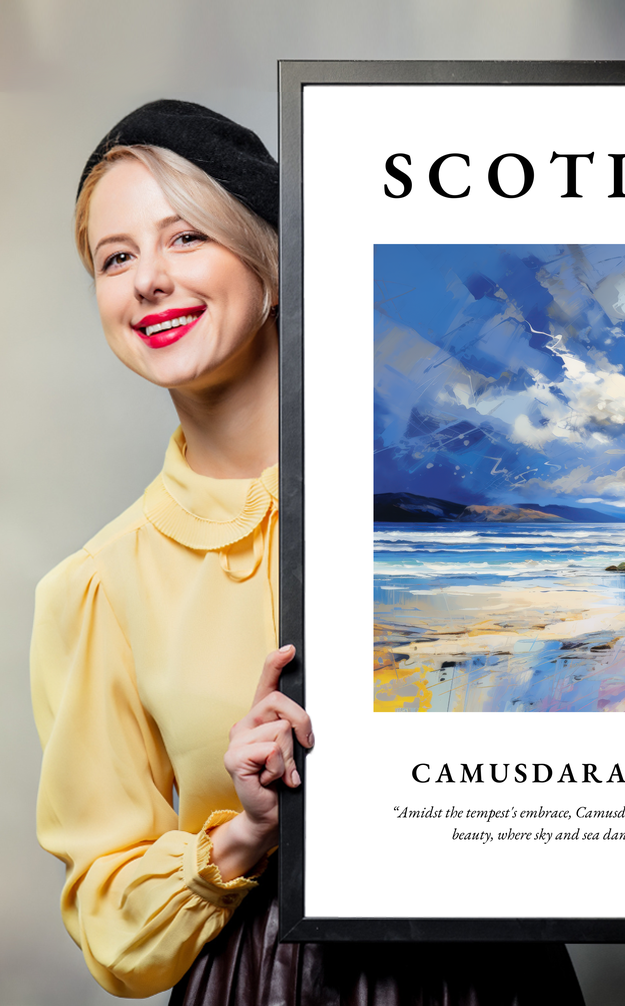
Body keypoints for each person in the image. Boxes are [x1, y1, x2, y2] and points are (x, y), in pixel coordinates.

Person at [30, 100, 586, 1004]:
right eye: (116, 257)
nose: (148, 281)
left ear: (273, 263)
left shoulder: (454, 506)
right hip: (263, 982)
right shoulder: (97, 587)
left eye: (185, 239)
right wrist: (245, 832)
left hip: (492, 974)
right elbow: (110, 923)